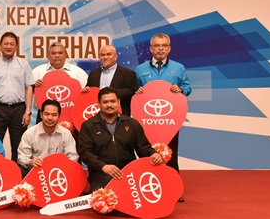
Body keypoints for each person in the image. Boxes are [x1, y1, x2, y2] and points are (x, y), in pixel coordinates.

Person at [135, 33, 191, 201]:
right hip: (147, 121)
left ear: (169, 48)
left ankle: (174, 189)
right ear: (151, 49)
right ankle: (148, 187)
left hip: (170, 120)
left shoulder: (178, 68)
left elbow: (187, 87)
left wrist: (181, 90)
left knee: (171, 154)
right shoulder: (140, 69)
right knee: (147, 154)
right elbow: (134, 91)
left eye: (164, 45)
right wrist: (137, 91)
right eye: (157, 46)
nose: (160, 49)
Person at [78, 87, 164, 191]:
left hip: (130, 172)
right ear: (98, 104)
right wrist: (103, 167)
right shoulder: (88, 126)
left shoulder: (132, 124)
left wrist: (153, 154)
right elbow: (85, 153)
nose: (109, 105)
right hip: (101, 173)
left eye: (113, 101)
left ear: (118, 102)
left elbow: (143, 148)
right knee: (110, 197)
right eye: (105, 102)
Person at [0, 32, 35, 162]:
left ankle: (17, 172)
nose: (9, 46)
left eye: (12, 44)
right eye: (6, 43)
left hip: (19, 109)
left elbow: (29, 87)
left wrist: (28, 111)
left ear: (16, 46)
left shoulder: (24, 65)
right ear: (0, 45)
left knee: (19, 145)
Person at [17, 99, 79, 177]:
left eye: (54, 115)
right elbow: (22, 157)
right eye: (46, 114)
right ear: (41, 115)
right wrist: (30, 161)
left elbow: (73, 156)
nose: (50, 118)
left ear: (59, 116)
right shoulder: (30, 133)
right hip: (36, 172)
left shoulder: (66, 134)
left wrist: (63, 165)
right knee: (20, 170)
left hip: (59, 173)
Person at [86, 44, 138, 116]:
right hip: (97, 115)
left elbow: (132, 92)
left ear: (115, 56)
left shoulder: (128, 73)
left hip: (120, 116)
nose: (105, 57)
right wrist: (85, 90)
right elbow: (89, 90)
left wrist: (111, 94)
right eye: (102, 55)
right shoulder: (93, 73)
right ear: (99, 57)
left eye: (109, 54)